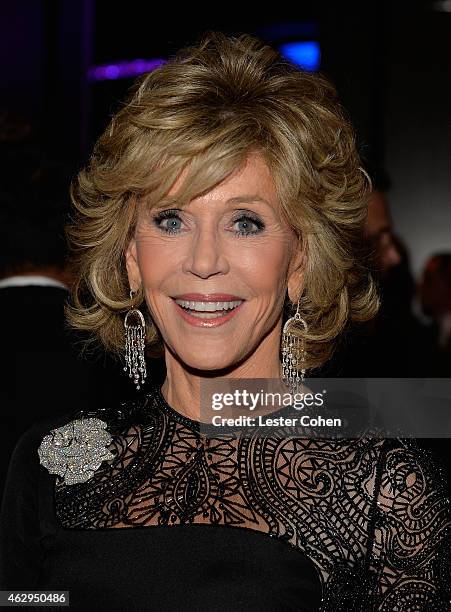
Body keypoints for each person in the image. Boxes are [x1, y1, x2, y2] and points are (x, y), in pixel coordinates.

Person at [1, 31, 451, 611]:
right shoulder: (52, 464)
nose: (204, 262)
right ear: (131, 257)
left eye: (245, 223)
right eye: (170, 220)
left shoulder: (387, 487)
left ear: (301, 259)